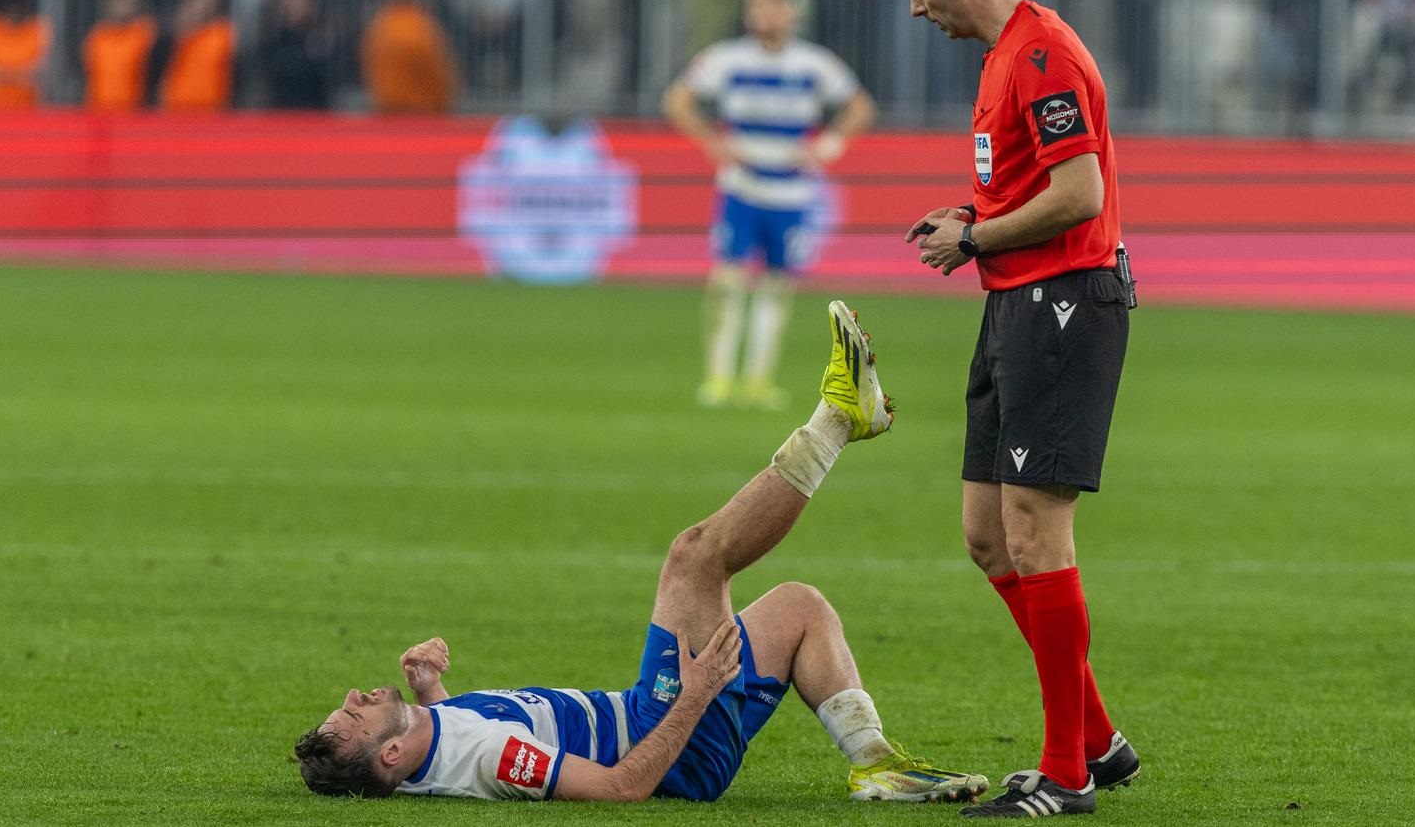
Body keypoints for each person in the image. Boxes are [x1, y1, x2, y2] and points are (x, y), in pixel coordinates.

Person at [293, 302, 989, 805]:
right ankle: (838, 418)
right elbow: (620, 787)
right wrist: (691, 698)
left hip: (658, 715)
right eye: (352, 714)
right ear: (388, 752)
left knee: (799, 607)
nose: (354, 695)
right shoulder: (488, 756)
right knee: (694, 557)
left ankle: (876, 764)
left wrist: (431, 695)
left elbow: (455, 744)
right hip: (665, 736)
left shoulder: (432, 747)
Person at [889, 0, 1140, 818]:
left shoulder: (1044, 55)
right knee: (989, 535)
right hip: (1016, 302)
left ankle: (1065, 774)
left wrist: (979, 235)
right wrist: (970, 216)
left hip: (1067, 305)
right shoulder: (1006, 56)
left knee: (1037, 532)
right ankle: (1100, 739)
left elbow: (1081, 193)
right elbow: (1033, 177)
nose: (917, 10)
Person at [662, 0, 875, 411]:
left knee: (778, 286)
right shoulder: (726, 59)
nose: (766, 15)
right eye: (759, 6)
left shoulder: (814, 64)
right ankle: (719, 378)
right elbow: (677, 100)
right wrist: (712, 143)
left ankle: (759, 379)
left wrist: (829, 144)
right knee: (728, 282)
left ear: (793, 13)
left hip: (791, 191)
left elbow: (860, 107)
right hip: (741, 186)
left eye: (775, 6)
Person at [361, 0, 456, 114]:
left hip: (387, 103)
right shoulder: (423, 26)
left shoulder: (380, 27)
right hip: (423, 106)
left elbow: (368, 61)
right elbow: (438, 65)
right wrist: (444, 98)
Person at [156, 0, 236, 112]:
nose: (204, 4)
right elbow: (160, 63)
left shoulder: (223, 31)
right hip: (177, 104)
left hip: (213, 105)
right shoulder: (175, 30)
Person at [82, 0, 157, 112]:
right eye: (118, 2)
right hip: (98, 104)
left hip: (132, 106)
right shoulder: (98, 36)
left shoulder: (141, 33)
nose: (122, 8)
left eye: (126, 2)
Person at [0, 0, 51, 109]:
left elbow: (39, 71)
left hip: (28, 105)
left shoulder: (37, 28)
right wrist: (21, 74)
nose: (15, 13)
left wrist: (3, 73)